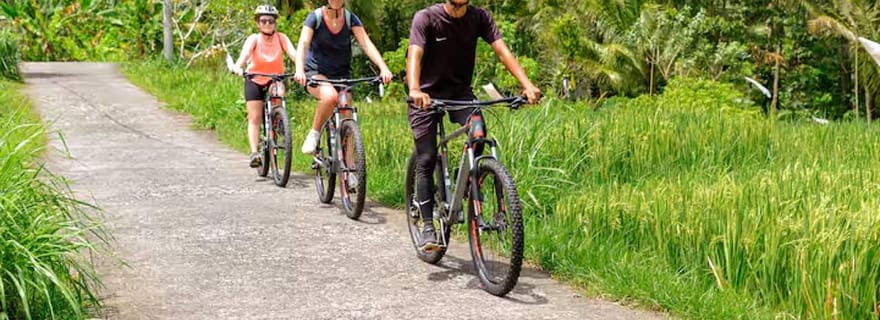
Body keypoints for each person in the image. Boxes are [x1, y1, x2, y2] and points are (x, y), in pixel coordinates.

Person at [406, 0, 542, 251]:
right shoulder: (425, 18)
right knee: (426, 157)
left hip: (460, 94)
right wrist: (415, 88)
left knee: (479, 132)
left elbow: (502, 51)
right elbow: (415, 54)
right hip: (425, 95)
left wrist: (527, 84)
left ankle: (465, 180)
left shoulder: (479, 18)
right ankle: (427, 227)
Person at [294, 0, 393, 154]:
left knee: (347, 112)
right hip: (316, 72)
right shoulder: (315, 17)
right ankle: (314, 133)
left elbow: (366, 44)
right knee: (330, 97)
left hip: (341, 74)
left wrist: (383, 68)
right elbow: (304, 43)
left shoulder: (350, 19)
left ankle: (350, 169)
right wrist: (299, 69)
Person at [231, 4, 298, 168]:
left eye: (271, 21)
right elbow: (244, 56)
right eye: (264, 21)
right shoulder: (254, 39)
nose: (267, 24)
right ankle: (255, 153)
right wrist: (238, 67)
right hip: (254, 79)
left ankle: (279, 121)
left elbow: (294, 55)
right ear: (258, 23)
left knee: (278, 92)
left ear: (275, 23)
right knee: (254, 118)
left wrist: (301, 70)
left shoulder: (282, 38)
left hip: (274, 79)